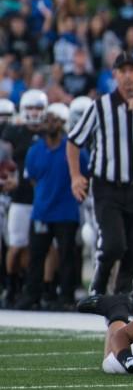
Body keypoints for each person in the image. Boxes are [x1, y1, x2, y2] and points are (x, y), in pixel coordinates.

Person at [67, 51, 133, 296]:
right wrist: (75, 176)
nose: (127, 76)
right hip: (107, 187)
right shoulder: (100, 106)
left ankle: (121, 299)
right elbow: (73, 141)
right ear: (114, 75)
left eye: (131, 70)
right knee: (114, 245)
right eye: (122, 71)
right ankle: (100, 282)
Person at [15, 104, 88, 310]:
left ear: (64, 123)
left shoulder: (74, 150)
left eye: (55, 119)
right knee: (36, 255)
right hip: (42, 212)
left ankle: (65, 296)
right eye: (48, 119)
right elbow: (33, 180)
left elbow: (84, 175)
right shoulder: (34, 150)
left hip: (66, 212)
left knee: (66, 257)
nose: (50, 123)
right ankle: (32, 295)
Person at [1, 90, 48, 306]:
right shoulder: (13, 132)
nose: (35, 112)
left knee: (34, 248)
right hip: (19, 198)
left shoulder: (49, 133)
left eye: (39, 108)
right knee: (16, 245)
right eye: (31, 107)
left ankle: (27, 287)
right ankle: (11, 287)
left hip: (41, 198)